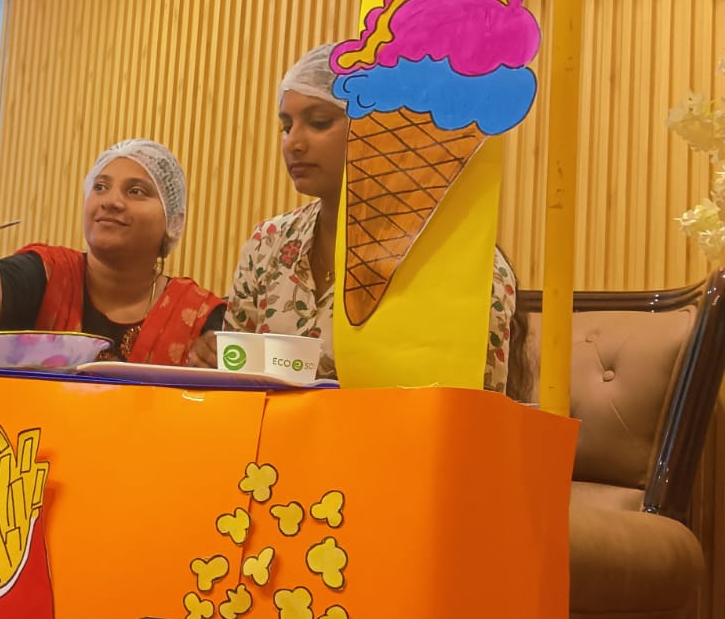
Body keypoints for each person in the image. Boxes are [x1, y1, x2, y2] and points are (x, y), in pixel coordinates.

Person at [191, 45, 528, 395]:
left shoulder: (464, 264)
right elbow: (236, 384)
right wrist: (214, 359)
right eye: (286, 126)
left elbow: (475, 410)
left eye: (319, 122)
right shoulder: (269, 242)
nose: (294, 143)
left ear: (381, 128)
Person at [0, 139, 224, 365]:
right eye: (100, 187)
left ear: (173, 220)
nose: (111, 201)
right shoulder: (49, 273)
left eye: (136, 191)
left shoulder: (199, 316)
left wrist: (215, 360)